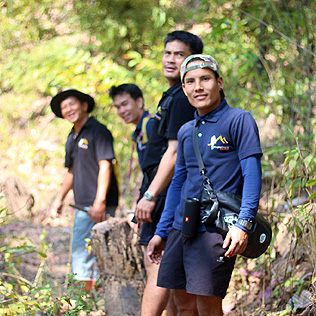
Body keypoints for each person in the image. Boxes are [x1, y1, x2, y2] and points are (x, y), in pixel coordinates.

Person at [147, 54, 263, 316]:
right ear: (184, 88)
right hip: (182, 226)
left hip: (216, 228)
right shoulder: (186, 130)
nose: (198, 87)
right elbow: (178, 183)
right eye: (190, 81)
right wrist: (162, 231)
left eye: (205, 79)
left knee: (207, 305)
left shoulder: (239, 120)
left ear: (219, 82)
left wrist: (243, 223)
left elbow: (252, 174)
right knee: (184, 305)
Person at [135, 31, 204, 316]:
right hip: (159, 189)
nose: (171, 59)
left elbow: (174, 154)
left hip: (166, 193)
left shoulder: (181, 99)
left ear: (193, 60)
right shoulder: (172, 96)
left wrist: (151, 195)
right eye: (167, 53)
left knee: (158, 267)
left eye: (180, 54)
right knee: (173, 279)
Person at [50, 88, 119, 291]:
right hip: (82, 204)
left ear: (84, 106)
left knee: (84, 251)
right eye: (64, 107)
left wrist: (100, 202)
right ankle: (90, 302)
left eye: (72, 104)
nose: (68, 109)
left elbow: (105, 165)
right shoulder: (72, 136)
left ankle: (84, 302)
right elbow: (71, 171)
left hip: (97, 203)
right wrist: (58, 199)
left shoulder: (98, 131)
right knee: (91, 251)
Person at [109, 83, 154, 172]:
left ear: (139, 102)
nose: (121, 111)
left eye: (125, 104)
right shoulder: (139, 131)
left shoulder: (150, 126)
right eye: (118, 107)